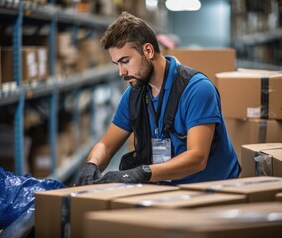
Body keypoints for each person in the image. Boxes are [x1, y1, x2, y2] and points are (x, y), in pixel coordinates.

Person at [75, 12, 240, 186]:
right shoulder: (134, 96)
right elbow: (106, 145)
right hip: (168, 189)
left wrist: (143, 172)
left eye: (126, 61)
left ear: (148, 50)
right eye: (117, 64)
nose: (121, 72)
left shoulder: (196, 89)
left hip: (212, 190)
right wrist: (92, 164)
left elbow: (197, 158)